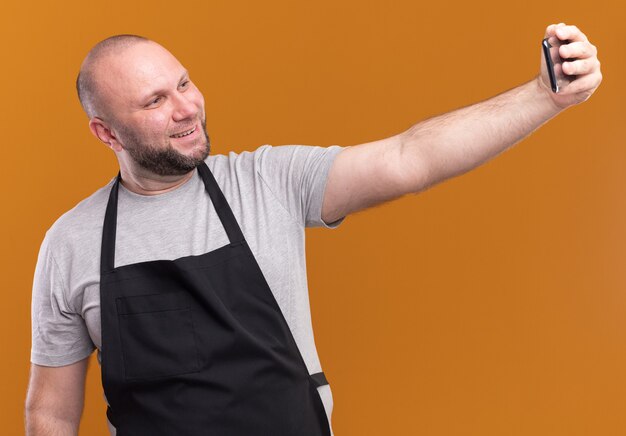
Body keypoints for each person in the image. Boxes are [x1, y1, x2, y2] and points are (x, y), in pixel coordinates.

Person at [25, 22, 601, 436]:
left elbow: (410, 158)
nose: (187, 108)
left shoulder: (268, 180)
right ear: (106, 133)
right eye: (155, 100)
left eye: (184, 82)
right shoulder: (72, 243)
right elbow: (50, 414)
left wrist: (543, 96)